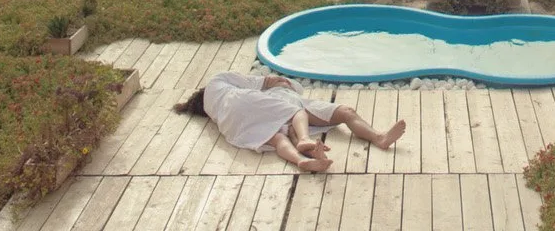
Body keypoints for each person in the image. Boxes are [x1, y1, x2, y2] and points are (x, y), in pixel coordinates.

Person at [173, 72, 406, 173]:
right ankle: (307, 140)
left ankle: (301, 160)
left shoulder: (215, 111)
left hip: (233, 127)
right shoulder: (219, 81)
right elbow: (265, 80)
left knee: (278, 138)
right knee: (299, 113)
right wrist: (278, 82)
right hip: (261, 105)